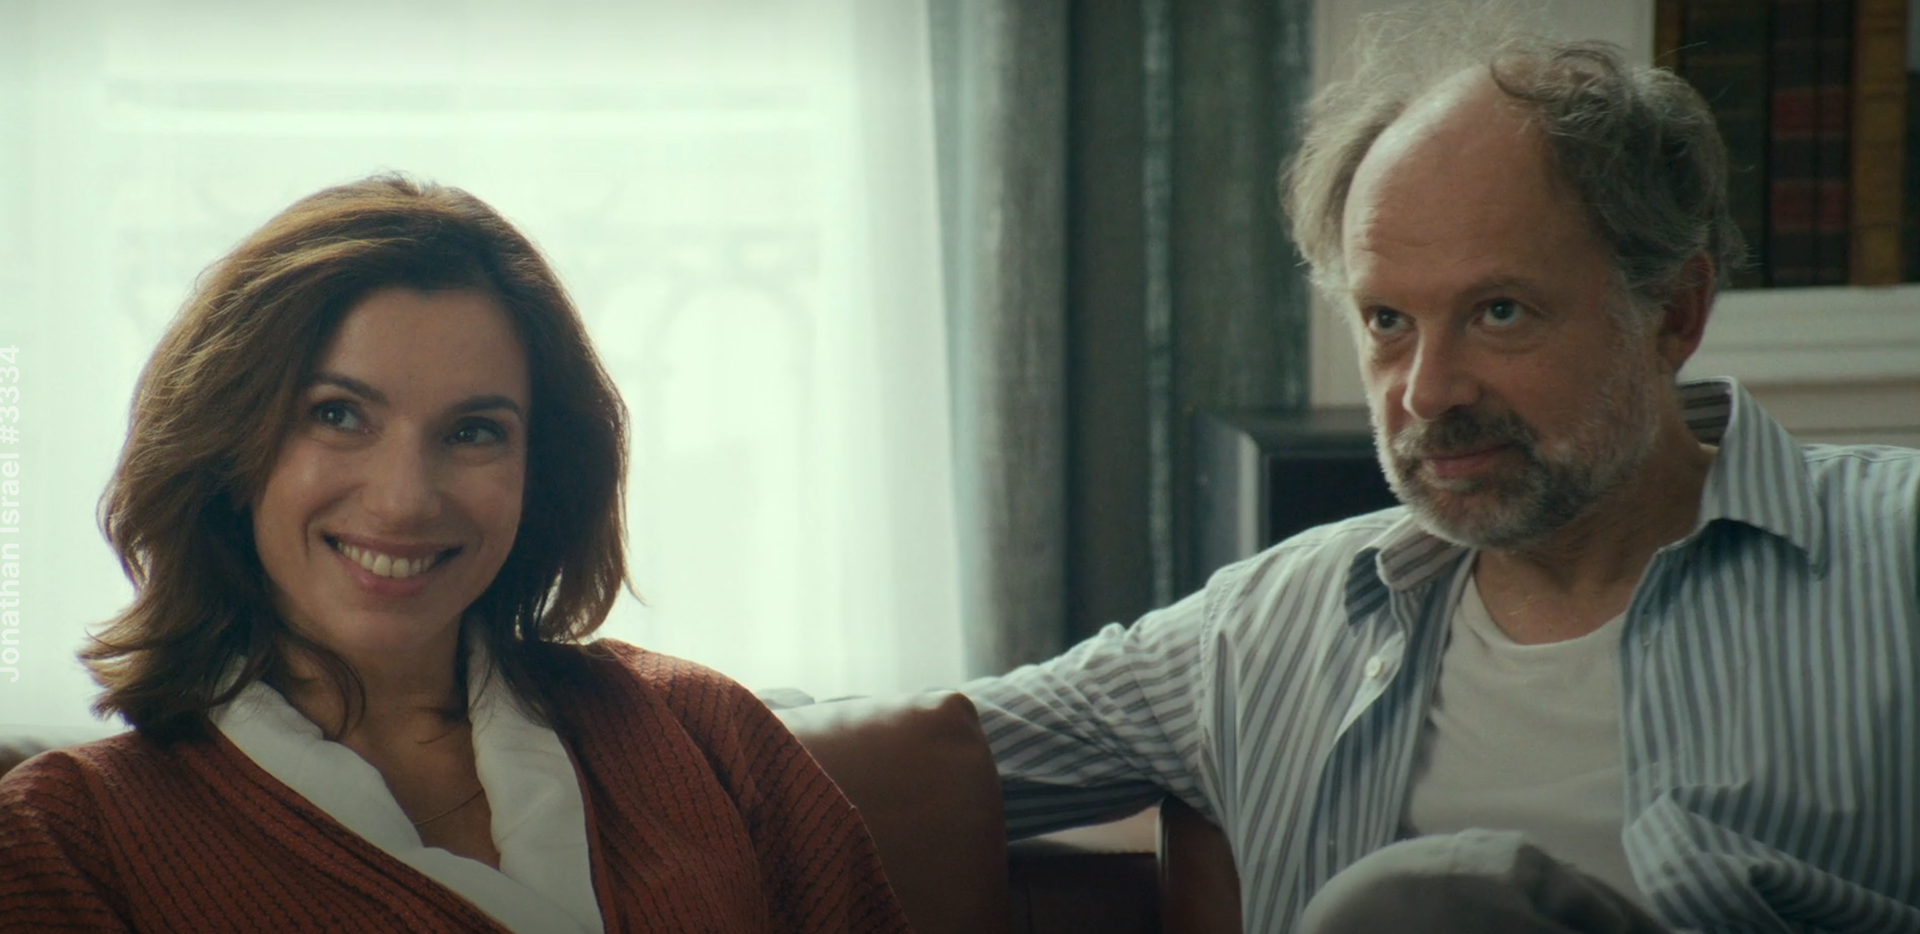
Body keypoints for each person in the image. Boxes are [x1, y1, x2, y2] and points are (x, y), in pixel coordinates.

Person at [963, 8, 1920, 934]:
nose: (1426, 392)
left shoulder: (1896, 551)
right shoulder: (1266, 628)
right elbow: (928, 758)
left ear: (1673, 312)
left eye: (1499, 312)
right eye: (1387, 321)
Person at [0, 176, 911, 934]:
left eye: (474, 431)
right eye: (338, 415)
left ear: (539, 470)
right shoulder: (64, 842)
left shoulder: (707, 735)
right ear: (227, 445)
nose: (405, 499)